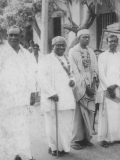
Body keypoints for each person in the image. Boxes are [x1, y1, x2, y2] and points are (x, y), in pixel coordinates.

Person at [0, 25, 36, 160]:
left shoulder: (27, 54)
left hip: (22, 98)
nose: (13, 37)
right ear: (7, 36)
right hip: (5, 99)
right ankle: (9, 156)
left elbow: (32, 74)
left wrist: (33, 92)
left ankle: (24, 155)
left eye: (16, 35)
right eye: (11, 35)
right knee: (6, 130)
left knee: (22, 128)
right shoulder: (1, 53)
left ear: (22, 37)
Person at [37, 36, 76, 157]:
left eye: (63, 45)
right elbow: (41, 78)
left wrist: (73, 81)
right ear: (52, 46)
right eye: (58, 45)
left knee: (66, 124)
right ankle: (53, 147)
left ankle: (64, 147)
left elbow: (72, 74)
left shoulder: (67, 58)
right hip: (52, 97)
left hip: (66, 97)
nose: (60, 47)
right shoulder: (46, 59)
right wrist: (51, 92)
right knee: (52, 124)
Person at [97, 34, 120, 148]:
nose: (113, 43)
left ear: (117, 42)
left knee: (116, 112)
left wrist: (115, 86)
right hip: (106, 88)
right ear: (107, 42)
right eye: (110, 41)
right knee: (105, 113)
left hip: (117, 88)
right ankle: (104, 138)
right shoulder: (102, 56)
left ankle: (116, 137)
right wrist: (108, 87)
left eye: (115, 41)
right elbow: (101, 73)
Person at [69, 29, 98, 150]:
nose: (87, 39)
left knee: (90, 112)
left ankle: (86, 138)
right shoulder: (73, 51)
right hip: (80, 87)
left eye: (88, 37)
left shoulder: (91, 51)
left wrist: (93, 83)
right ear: (79, 38)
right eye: (84, 37)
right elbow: (74, 71)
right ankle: (76, 140)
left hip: (91, 86)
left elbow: (95, 68)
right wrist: (85, 87)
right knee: (78, 114)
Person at [93, 49, 103, 135]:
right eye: (95, 54)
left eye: (99, 54)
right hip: (95, 89)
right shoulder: (92, 65)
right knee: (94, 109)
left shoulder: (103, 65)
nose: (97, 56)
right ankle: (92, 127)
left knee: (102, 109)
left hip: (102, 88)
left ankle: (101, 128)